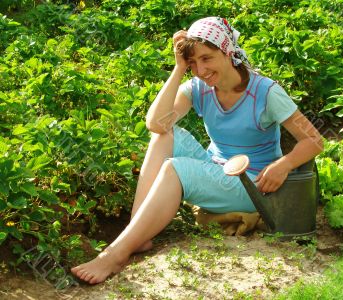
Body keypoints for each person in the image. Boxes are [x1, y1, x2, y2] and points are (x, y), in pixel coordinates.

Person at [71, 16, 323, 284]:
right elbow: (155, 123)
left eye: (207, 58)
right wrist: (179, 68)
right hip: (216, 169)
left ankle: (115, 255)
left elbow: (314, 140)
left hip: (251, 184)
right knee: (164, 134)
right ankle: (138, 235)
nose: (201, 70)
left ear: (227, 51)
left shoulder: (265, 92)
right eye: (194, 62)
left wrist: (283, 165)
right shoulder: (200, 88)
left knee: (175, 168)